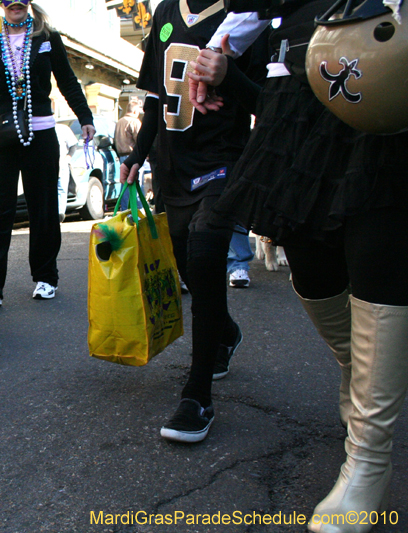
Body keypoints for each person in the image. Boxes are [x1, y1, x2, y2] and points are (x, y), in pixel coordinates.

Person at [188, 3, 408, 530]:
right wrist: (221, 47)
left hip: (389, 69)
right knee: (309, 258)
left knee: (378, 251)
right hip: (299, 85)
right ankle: (360, 379)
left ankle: (368, 460)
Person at [119, 0, 268, 443]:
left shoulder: (252, 12)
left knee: (204, 253)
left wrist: (228, 76)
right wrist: (138, 155)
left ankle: (197, 394)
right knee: (186, 262)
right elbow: (152, 100)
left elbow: (268, 101)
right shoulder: (165, 12)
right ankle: (224, 330)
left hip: (223, 159)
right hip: (172, 166)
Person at [0, 0, 95, 305]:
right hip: (1, 137)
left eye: (21, 0)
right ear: (0, 5)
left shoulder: (48, 38)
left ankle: (45, 277)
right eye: (8, 0)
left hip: (41, 135)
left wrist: (86, 117)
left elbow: (67, 80)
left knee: (44, 209)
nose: (15, 5)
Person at [114, 98, 141, 211]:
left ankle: (125, 210)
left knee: (125, 184)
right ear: (135, 111)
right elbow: (140, 141)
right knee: (135, 184)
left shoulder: (119, 122)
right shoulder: (134, 122)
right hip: (133, 155)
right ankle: (138, 210)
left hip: (121, 155)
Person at [54, 122, 78, 223]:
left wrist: (68, 157)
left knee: (61, 188)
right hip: (46, 163)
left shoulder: (62, 128)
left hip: (62, 162)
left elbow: (73, 145)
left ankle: (59, 214)